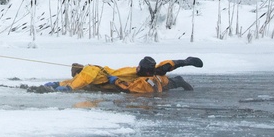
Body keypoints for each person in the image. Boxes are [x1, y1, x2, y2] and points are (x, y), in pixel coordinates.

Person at [41, 56, 203, 94]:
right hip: (109, 77)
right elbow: (171, 63)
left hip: (162, 84)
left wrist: (115, 81)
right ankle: (62, 84)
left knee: (91, 73)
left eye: (140, 68)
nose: (137, 68)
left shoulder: (147, 79)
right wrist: (188, 61)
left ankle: (66, 86)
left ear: (146, 72)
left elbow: (130, 89)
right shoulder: (151, 69)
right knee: (90, 74)